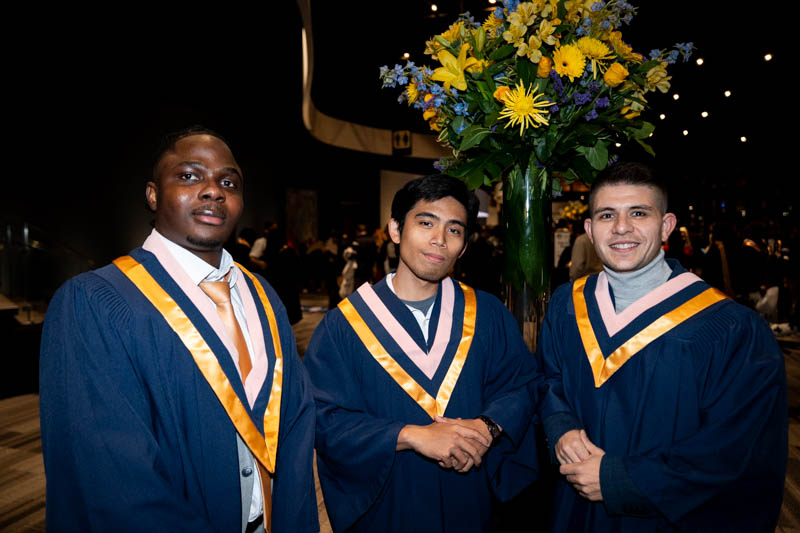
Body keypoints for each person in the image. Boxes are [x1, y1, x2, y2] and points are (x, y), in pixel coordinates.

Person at [39, 127, 318, 533]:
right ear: (153, 194)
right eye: (189, 176)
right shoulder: (94, 302)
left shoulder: (264, 297)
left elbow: (292, 431)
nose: (213, 191)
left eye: (228, 182)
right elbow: (112, 477)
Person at [537, 162, 787, 532]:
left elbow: (738, 449)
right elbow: (549, 379)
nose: (622, 228)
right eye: (607, 215)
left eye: (638, 212)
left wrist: (620, 479)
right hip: (573, 512)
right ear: (590, 229)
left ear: (666, 225)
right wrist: (561, 427)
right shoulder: (565, 304)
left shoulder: (732, 329)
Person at [304, 174, 539, 533]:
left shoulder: (487, 314)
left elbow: (521, 384)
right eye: (426, 222)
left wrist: (488, 426)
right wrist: (410, 435)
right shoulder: (344, 326)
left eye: (454, 230)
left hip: (470, 502)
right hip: (389, 505)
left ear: (463, 246)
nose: (439, 240)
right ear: (395, 229)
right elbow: (325, 419)